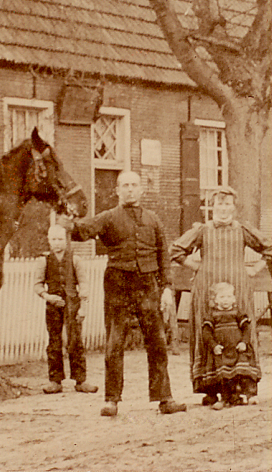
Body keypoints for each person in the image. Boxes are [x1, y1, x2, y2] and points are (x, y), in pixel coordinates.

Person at [66, 170, 186, 416]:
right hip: (118, 284)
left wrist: (166, 289)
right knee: (114, 342)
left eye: (134, 185)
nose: (130, 189)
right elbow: (81, 232)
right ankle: (112, 400)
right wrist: (69, 218)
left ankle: (165, 398)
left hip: (148, 284)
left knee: (157, 342)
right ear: (117, 191)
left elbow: (163, 255)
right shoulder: (108, 218)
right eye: (125, 185)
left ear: (141, 190)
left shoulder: (154, 219)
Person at [171, 186, 272, 407]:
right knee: (208, 333)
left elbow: (271, 248)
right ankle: (211, 389)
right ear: (211, 206)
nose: (223, 209)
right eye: (219, 204)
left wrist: (254, 270)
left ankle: (245, 387)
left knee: (242, 331)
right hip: (207, 290)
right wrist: (197, 265)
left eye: (227, 204)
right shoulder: (203, 230)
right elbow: (176, 250)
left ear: (233, 207)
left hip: (238, 289)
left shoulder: (241, 229)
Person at [33, 224, 98, 394]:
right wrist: (48, 297)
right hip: (53, 305)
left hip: (73, 305)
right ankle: (55, 381)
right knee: (54, 341)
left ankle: (80, 381)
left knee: (75, 341)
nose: (57, 243)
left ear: (66, 240)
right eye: (53, 239)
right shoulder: (43, 260)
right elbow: (37, 285)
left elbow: (84, 284)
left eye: (60, 239)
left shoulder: (76, 259)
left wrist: (83, 307)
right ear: (48, 240)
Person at [199, 282, 257, 409]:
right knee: (224, 374)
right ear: (214, 300)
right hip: (222, 350)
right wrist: (214, 346)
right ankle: (226, 398)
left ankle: (250, 395)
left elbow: (247, 328)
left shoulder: (238, 313)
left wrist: (244, 342)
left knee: (243, 371)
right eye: (222, 297)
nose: (226, 300)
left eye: (229, 296)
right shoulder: (212, 315)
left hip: (237, 348)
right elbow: (206, 333)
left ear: (234, 298)